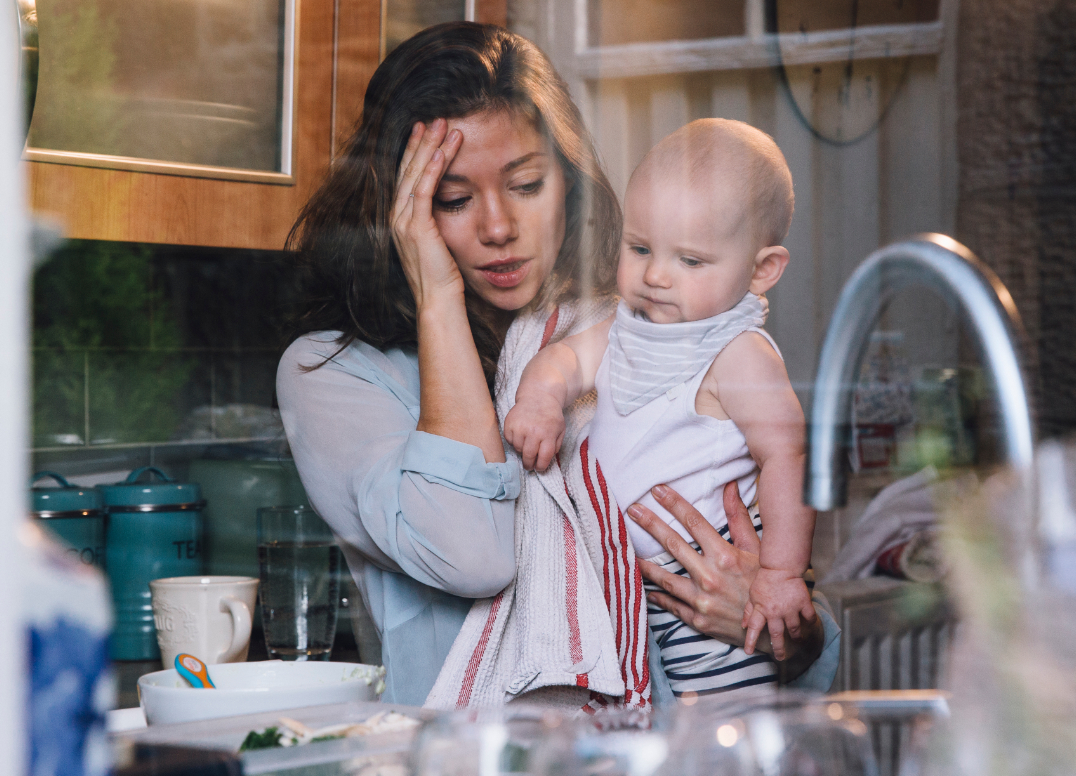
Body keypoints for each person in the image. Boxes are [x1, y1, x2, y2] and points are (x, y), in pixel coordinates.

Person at [275, 22, 838, 708]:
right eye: (451, 199)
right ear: (397, 210)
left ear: (568, 186)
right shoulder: (335, 375)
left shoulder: (635, 332)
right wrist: (439, 296)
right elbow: (473, 553)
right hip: (476, 770)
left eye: (527, 184)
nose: (498, 227)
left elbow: (803, 636)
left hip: (669, 759)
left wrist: (781, 625)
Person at [504, 119, 814, 699]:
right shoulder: (628, 329)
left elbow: (789, 456)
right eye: (640, 248)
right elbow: (566, 361)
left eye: (691, 261)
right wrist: (540, 399)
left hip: (709, 579)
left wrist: (778, 575)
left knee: (721, 732)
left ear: (761, 270)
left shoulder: (737, 352)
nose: (655, 275)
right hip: (634, 589)